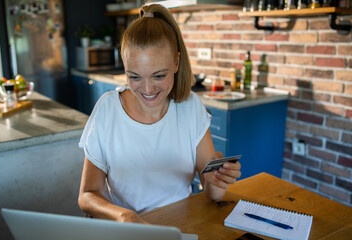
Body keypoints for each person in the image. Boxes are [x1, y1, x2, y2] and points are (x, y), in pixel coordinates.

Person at [78, 4, 241, 223]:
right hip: (125, 230)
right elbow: (87, 196)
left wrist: (218, 180)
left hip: (181, 225)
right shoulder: (108, 110)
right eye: (134, 77)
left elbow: (213, 195)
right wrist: (124, 216)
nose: (147, 90)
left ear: (176, 62)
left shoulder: (191, 107)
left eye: (158, 76)